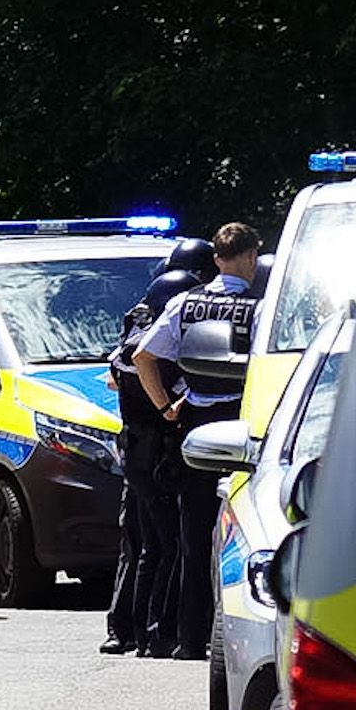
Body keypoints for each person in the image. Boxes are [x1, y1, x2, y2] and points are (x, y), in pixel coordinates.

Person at [130, 222, 264, 661]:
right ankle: (238, 635)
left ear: (217, 259)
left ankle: (190, 639)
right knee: (247, 532)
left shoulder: (185, 303)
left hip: (195, 427)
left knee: (194, 535)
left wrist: (165, 407)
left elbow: (143, 356)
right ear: (250, 256)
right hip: (243, 424)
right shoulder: (261, 308)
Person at [99, 248, 204, 656]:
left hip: (137, 449)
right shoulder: (161, 326)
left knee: (143, 546)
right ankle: (153, 632)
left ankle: (130, 631)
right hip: (158, 449)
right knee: (163, 545)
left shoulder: (139, 317)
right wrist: (167, 406)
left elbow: (115, 375)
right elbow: (140, 370)